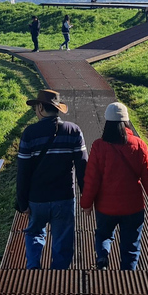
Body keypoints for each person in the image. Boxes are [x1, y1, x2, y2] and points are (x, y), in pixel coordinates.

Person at [81, 102, 148, 270]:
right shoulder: (139, 145)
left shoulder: (99, 146)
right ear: (126, 121)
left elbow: (92, 179)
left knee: (104, 235)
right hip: (133, 208)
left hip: (105, 207)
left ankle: (103, 257)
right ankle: (128, 274)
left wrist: (86, 203)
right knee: (131, 244)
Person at [16, 89, 88, 269]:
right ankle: (59, 279)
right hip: (63, 198)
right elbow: (83, 168)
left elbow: (23, 172)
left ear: (40, 107)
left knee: (34, 234)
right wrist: (87, 199)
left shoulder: (29, 133)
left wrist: (22, 202)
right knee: (63, 240)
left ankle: (33, 271)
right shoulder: (74, 131)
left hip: (37, 198)